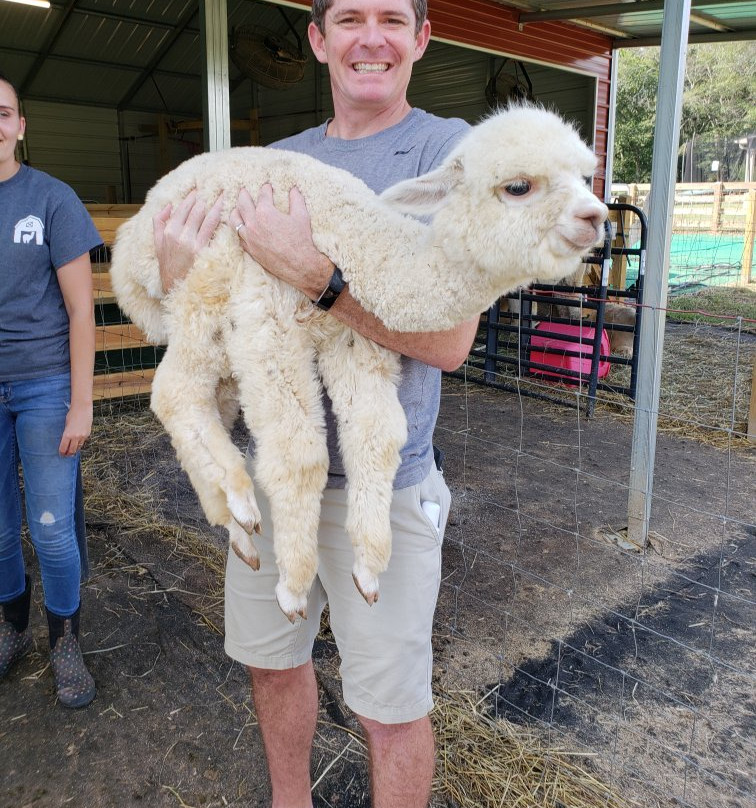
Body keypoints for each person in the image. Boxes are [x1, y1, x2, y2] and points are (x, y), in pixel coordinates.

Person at [154, 1, 480, 805]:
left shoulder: (450, 154)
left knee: (390, 709)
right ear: (318, 39)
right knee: (272, 666)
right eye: (351, 19)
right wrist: (177, 276)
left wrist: (316, 277)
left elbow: (448, 342)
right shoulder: (272, 164)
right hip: (273, 477)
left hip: (386, 484)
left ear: (422, 38)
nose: (371, 39)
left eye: (392, 20)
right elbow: (221, 328)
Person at [0, 72, 100, 708]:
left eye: (3, 112)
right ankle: (10, 627)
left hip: (44, 384)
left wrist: (82, 401)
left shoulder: (52, 199)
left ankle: (64, 635)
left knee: (51, 528)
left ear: (20, 126)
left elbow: (83, 310)